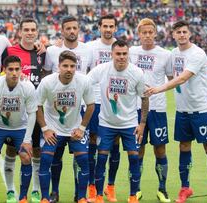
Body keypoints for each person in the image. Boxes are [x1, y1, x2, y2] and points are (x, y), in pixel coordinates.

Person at [145, 20, 207, 203]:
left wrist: (158, 88)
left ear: (189, 34)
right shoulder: (173, 54)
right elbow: (173, 76)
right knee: (184, 147)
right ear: (173, 34)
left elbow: (182, 78)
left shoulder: (197, 54)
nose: (181, 34)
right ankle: (185, 188)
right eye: (178, 32)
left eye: (184, 31)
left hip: (201, 109)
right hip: (182, 110)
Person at [88, 40, 149, 203]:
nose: (121, 57)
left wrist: (142, 124)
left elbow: (144, 98)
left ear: (128, 54)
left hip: (129, 124)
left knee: (134, 158)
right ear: (111, 54)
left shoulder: (136, 73)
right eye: (118, 54)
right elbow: (85, 83)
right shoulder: (101, 70)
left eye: (124, 54)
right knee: (101, 158)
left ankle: (132, 196)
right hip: (106, 124)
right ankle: (99, 196)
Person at [44, 15, 93, 202]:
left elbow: (91, 75)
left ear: (79, 29)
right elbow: (47, 75)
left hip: (79, 110)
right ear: (62, 30)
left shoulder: (88, 50)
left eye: (75, 28)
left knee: (81, 156)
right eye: (68, 28)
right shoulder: (51, 51)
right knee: (55, 157)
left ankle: (79, 195)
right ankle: (54, 193)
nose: (72, 31)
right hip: (56, 111)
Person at [1, 17, 47, 203]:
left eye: (32, 30)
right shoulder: (10, 51)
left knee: (36, 150)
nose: (29, 33)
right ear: (20, 31)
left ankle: (35, 190)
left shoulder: (42, 52)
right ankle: (11, 190)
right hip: (14, 109)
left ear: (37, 32)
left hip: (35, 110)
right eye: (26, 29)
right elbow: (0, 74)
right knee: (12, 150)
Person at [128, 18, 172, 203]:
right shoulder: (131, 52)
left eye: (150, 32)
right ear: (138, 34)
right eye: (143, 32)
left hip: (158, 109)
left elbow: (171, 79)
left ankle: (162, 189)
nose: (147, 35)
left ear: (155, 33)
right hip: (135, 109)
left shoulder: (164, 54)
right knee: (137, 150)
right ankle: (135, 190)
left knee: (160, 150)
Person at [0, 55, 37, 203]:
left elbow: (32, 114)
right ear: (4, 70)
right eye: (11, 69)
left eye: (17, 69)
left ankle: (23, 197)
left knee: (26, 157)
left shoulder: (28, 86)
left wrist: (27, 140)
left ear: (21, 70)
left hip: (20, 127)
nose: (14, 73)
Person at [85, 14, 119, 203]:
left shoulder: (121, 47)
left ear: (115, 27)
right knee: (91, 142)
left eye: (111, 26)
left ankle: (110, 186)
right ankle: (91, 185)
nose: (107, 29)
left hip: (114, 103)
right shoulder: (90, 47)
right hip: (95, 102)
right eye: (104, 26)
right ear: (99, 27)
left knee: (114, 144)